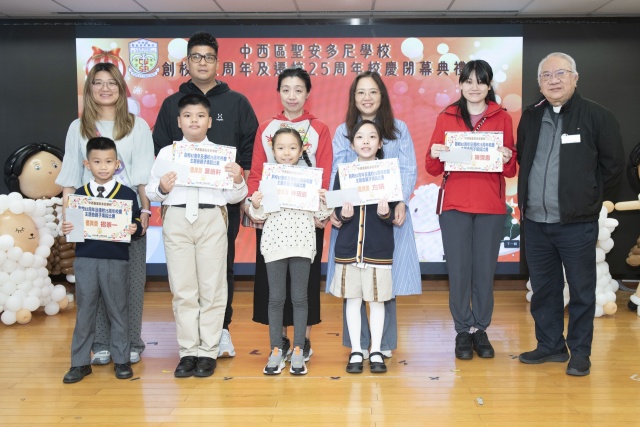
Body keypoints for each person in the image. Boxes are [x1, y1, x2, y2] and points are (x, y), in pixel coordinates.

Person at [516, 52, 625, 376]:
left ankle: (580, 353)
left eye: (560, 73)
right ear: (539, 83)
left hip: (577, 223)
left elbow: (614, 166)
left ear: (575, 78)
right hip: (536, 222)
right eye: (546, 75)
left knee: (581, 291)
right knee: (544, 290)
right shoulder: (530, 116)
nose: (553, 80)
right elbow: (524, 158)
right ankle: (550, 346)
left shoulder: (597, 116)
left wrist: (589, 200)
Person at [153, 32, 258, 357]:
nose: (202, 62)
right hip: (180, 207)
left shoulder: (237, 102)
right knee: (184, 280)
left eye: (208, 57)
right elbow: (162, 153)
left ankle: (220, 331)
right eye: (196, 57)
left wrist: (238, 183)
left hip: (220, 204)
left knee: (221, 270)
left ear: (217, 62)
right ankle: (191, 342)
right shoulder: (172, 104)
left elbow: (249, 149)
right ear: (187, 61)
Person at [57, 62, 154, 365]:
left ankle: (131, 342)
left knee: (131, 281)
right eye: (98, 82)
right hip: (89, 215)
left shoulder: (137, 126)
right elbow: (70, 179)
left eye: (111, 82)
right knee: (93, 283)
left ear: (121, 88)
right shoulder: (78, 127)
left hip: (126, 215)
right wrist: (68, 217)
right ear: (89, 89)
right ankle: (100, 343)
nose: (105, 88)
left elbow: (144, 176)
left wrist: (146, 210)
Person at [146, 94, 247, 378]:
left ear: (209, 122)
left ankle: (208, 351)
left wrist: (238, 179)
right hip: (177, 219)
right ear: (179, 121)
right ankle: (188, 352)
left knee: (213, 288)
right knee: (183, 288)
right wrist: (162, 188)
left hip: (212, 218)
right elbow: (151, 192)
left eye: (200, 116)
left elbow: (234, 196)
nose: (194, 120)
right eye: (188, 116)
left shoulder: (222, 155)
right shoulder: (167, 153)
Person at [425, 60, 517, 360]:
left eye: (480, 81)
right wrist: (435, 153)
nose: (474, 87)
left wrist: (507, 157)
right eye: (468, 81)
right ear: (461, 84)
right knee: (459, 271)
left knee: (484, 272)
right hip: (454, 206)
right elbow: (432, 167)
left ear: (489, 86)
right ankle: (463, 330)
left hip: (490, 206)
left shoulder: (503, 117)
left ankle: (481, 329)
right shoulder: (446, 116)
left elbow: (511, 169)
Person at [326, 71, 421, 358]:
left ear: (382, 96)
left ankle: (382, 344)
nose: (367, 98)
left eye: (373, 92)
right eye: (360, 92)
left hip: (386, 217)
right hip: (352, 219)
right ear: (353, 98)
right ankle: (358, 344)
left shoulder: (399, 129)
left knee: (384, 278)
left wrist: (401, 202)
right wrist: (334, 208)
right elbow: (337, 170)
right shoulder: (343, 130)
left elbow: (408, 168)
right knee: (352, 283)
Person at [244, 67, 332, 362]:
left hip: (308, 218)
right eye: (286, 89)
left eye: (298, 90)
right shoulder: (266, 128)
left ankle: (303, 341)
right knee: (274, 286)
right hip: (273, 218)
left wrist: (322, 211)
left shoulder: (319, 128)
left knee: (305, 285)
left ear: (308, 94)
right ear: (278, 92)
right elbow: (256, 173)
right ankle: (279, 341)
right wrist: (255, 205)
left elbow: (325, 172)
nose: (292, 95)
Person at [62, 137, 142, 383]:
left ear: (117, 164)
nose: (103, 167)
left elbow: (137, 223)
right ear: (87, 164)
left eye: (108, 161)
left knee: (118, 309)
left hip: (115, 261)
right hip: (85, 259)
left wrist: (135, 228)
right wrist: (67, 228)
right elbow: (73, 230)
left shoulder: (127, 194)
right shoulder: (79, 195)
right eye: (97, 162)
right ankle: (79, 363)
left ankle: (121, 359)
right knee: (85, 311)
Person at [330, 120, 395, 374]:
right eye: (359, 137)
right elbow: (337, 210)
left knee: (377, 301)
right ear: (352, 144)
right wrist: (343, 215)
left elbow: (394, 212)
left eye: (372, 137)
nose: (365, 141)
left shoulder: (388, 173)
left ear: (380, 144)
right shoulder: (344, 173)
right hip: (349, 249)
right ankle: (357, 350)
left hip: (378, 250)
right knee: (353, 300)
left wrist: (386, 213)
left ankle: (376, 349)